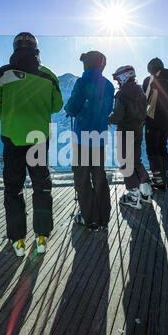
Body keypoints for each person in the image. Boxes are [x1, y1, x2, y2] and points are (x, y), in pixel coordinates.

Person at [0, 32, 63, 256]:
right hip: (38, 139)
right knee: (41, 186)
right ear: (36, 49)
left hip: (12, 138)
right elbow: (56, 106)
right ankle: (42, 236)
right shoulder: (48, 75)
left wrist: (9, 116)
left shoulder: (3, 73)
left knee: (13, 189)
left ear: (15, 47)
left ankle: (18, 240)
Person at [65, 51, 114, 232]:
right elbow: (109, 109)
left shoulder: (82, 82)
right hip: (100, 137)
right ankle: (103, 217)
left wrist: (70, 110)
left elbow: (72, 106)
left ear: (87, 64)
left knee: (82, 176)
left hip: (82, 137)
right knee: (98, 174)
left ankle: (90, 219)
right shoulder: (108, 85)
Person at [109, 65, 152, 209]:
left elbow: (118, 116)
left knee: (126, 163)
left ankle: (134, 197)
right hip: (138, 130)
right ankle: (145, 193)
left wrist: (109, 118)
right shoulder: (140, 90)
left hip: (126, 131)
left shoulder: (122, 94)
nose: (117, 82)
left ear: (123, 76)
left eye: (118, 78)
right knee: (136, 161)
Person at [142, 58, 168, 191]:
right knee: (162, 147)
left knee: (152, 150)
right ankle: (165, 176)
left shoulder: (150, 80)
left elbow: (145, 99)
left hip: (153, 120)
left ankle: (159, 182)